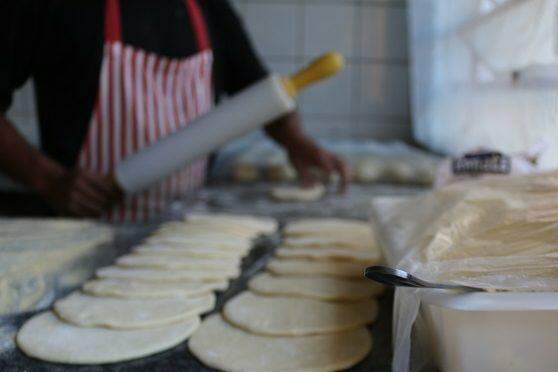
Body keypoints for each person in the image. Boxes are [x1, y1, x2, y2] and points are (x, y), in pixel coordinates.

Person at [0, 0, 349, 221]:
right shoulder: (53, 6)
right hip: (81, 229)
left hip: (185, 233)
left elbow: (259, 92)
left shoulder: (208, 9)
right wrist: (47, 178)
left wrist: (295, 141)